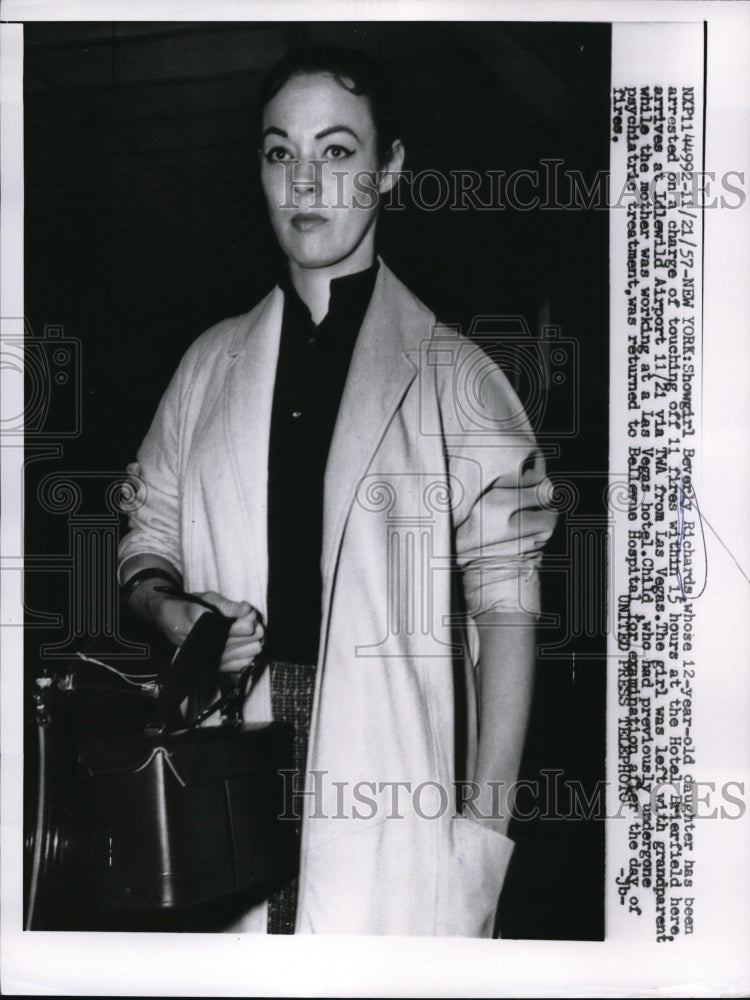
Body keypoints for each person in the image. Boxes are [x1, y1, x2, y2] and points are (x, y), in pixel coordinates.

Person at [118, 44, 557, 937]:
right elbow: (145, 536)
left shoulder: (458, 378)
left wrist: (481, 832)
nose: (306, 184)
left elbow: (507, 614)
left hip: (390, 779)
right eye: (282, 153)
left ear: (391, 167)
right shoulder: (207, 365)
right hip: (228, 764)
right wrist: (173, 613)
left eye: (338, 151)